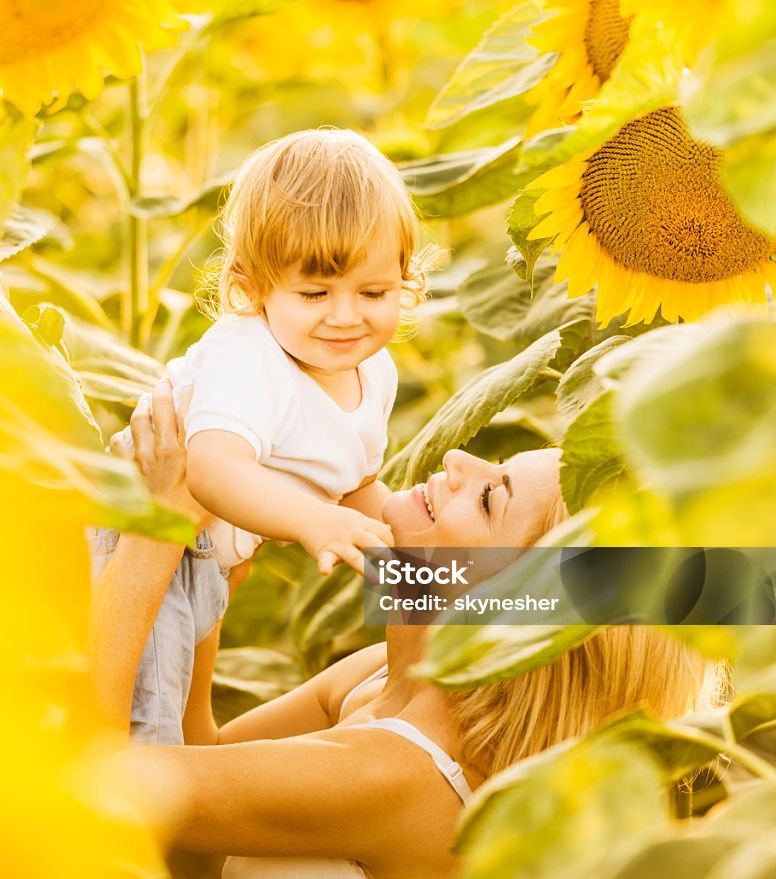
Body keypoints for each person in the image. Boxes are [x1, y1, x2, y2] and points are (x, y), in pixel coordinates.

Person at [106, 396, 721, 878]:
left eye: (488, 499)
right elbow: (201, 772)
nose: (459, 463)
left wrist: (155, 528)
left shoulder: (398, 773)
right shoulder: (380, 676)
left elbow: (92, 782)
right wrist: (211, 563)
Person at [90, 127, 428, 744]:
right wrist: (310, 522)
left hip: (208, 560)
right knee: (144, 734)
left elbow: (354, 485)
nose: (347, 316)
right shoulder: (248, 358)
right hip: (138, 548)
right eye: (315, 293)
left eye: (374, 292)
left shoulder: (371, 369)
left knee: (189, 730)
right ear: (251, 287)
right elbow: (212, 470)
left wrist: (414, 557)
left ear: (405, 278)